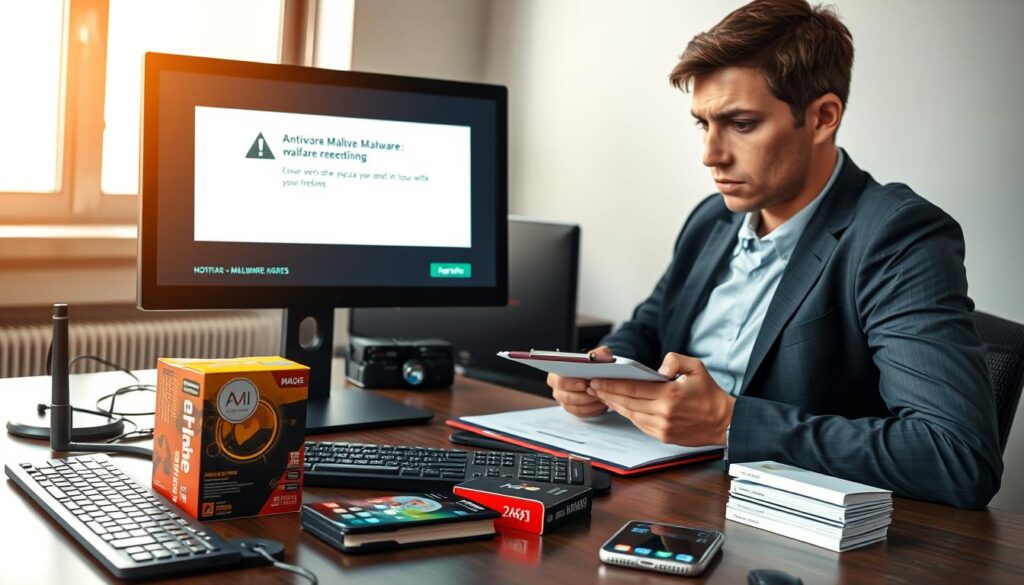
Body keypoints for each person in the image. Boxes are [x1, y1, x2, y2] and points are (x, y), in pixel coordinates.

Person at [548, 0, 1002, 509]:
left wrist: (729, 422)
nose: (711, 155)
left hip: (794, 533)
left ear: (823, 117)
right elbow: (651, 327)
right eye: (703, 123)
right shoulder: (712, 218)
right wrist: (600, 372)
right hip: (663, 495)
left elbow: (958, 457)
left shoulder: (897, 236)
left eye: (741, 124)